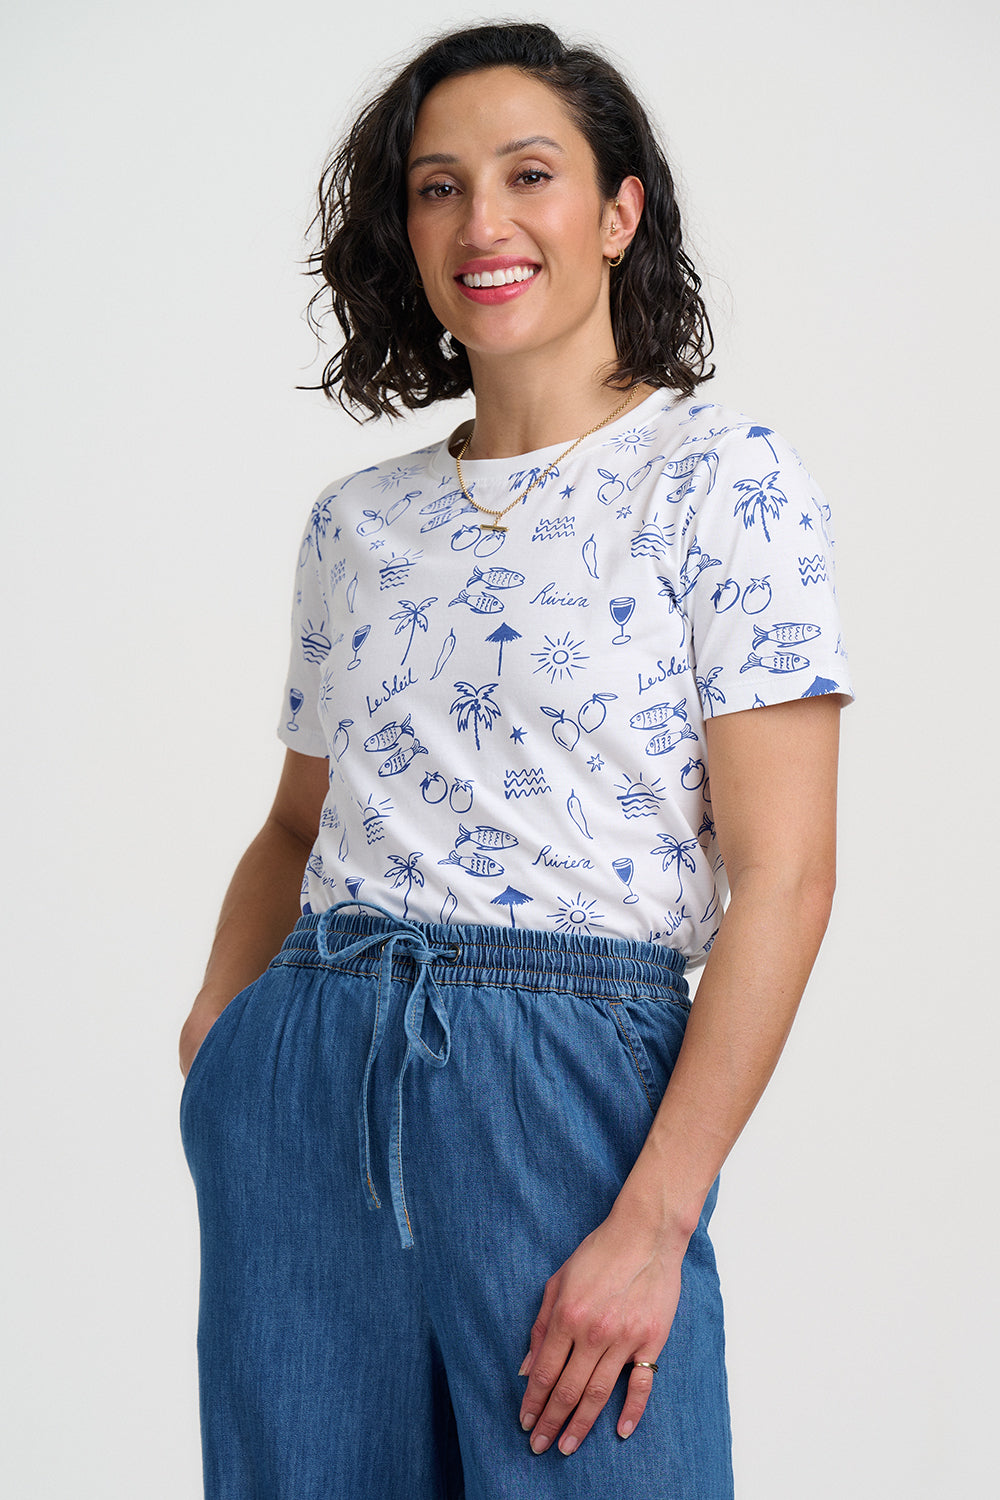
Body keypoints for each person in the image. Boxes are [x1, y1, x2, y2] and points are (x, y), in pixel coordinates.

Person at [179, 21, 852, 1499]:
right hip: (307, 1079)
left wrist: (656, 1219)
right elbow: (295, 826)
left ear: (617, 213)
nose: (482, 221)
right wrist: (219, 1051)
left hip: (564, 1080)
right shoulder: (357, 523)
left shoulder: (721, 480)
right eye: (439, 187)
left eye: (529, 174)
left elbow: (788, 876)